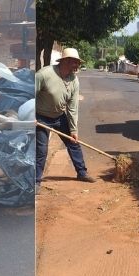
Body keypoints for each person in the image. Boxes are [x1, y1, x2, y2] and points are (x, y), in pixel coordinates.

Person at [35, 47, 96, 188]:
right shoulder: (44, 74)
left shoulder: (74, 80)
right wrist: (31, 115)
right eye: (75, 62)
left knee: (73, 142)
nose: (77, 66)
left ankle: (82, 173)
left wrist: (74, 131)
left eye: (78, 63)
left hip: (59, 116)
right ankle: (36, 182)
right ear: (65, 61)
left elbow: (73, 107)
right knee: (41, 150)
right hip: (41, 117)